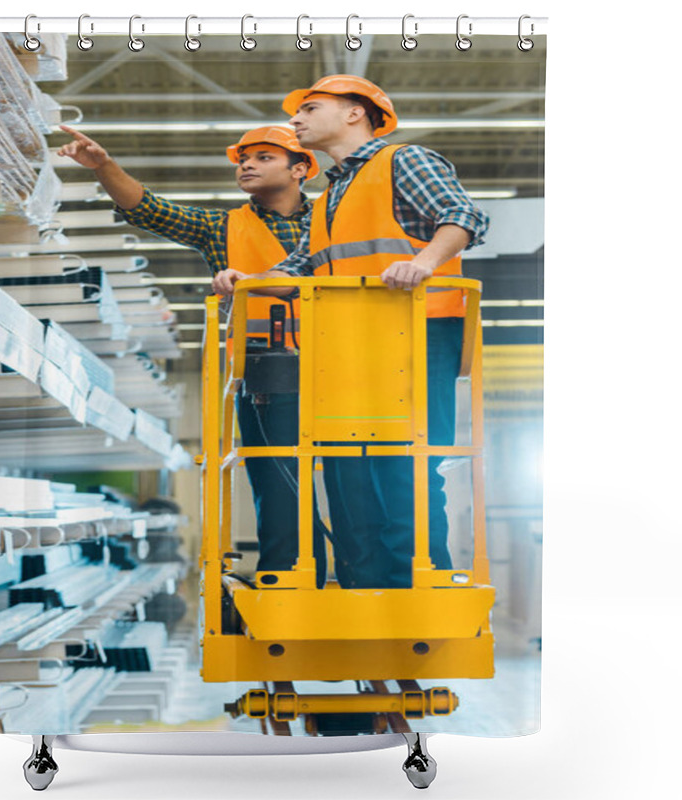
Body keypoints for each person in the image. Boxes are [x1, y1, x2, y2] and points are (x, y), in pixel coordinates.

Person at [212, 76, 490, 589]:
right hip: (348, 343)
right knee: (346, 465)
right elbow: (301, 266)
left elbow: (464, 215)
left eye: (309, 108)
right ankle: (366, 587)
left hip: (418, 332)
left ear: (353, 114)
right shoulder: (331, 193)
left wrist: (423, 263)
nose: (296, 119)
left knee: (407, 461)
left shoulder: (403, 161)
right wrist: (249, 283)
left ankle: (418, 586)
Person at [57, 123, 329, 587]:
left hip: (346, 361)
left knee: (357, 477)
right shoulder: (223, 227)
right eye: (243, 159)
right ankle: (289, 585)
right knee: (278, 484)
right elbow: (149, 209)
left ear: (301, 168)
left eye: (264, 157)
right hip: (267, 371)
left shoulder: (336, 218)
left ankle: (372, 580)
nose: (246, 164)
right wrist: (104, 167)